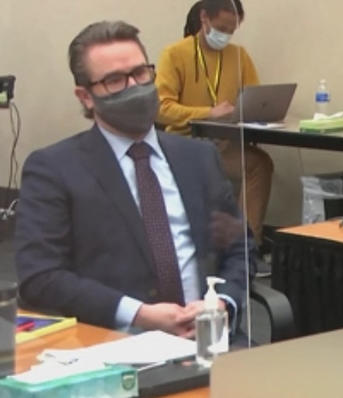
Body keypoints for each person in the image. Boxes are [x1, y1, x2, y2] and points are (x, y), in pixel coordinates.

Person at [14, 20, 254, 338]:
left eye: (141, 73)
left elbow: (241, 248)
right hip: (114, 347)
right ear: (85, 96)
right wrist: (139, 314)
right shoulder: (54, 169)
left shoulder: (197, 157)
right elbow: (40, 277)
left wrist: (221, 303)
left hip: (208, 338)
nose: (134, 87)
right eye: (115, 80)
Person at [155, 0, 273, 247]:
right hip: (185, 143)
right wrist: (209, 112)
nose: (226, 35)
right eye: (221, 27)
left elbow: (254, 99)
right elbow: (161, 108)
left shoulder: (239, 56)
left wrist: (260, 113)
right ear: (204, 19)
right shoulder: (175, 54)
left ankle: (248, 244)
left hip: (224, 143)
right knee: (208, 168)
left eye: (232, 29)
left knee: (259, 164)